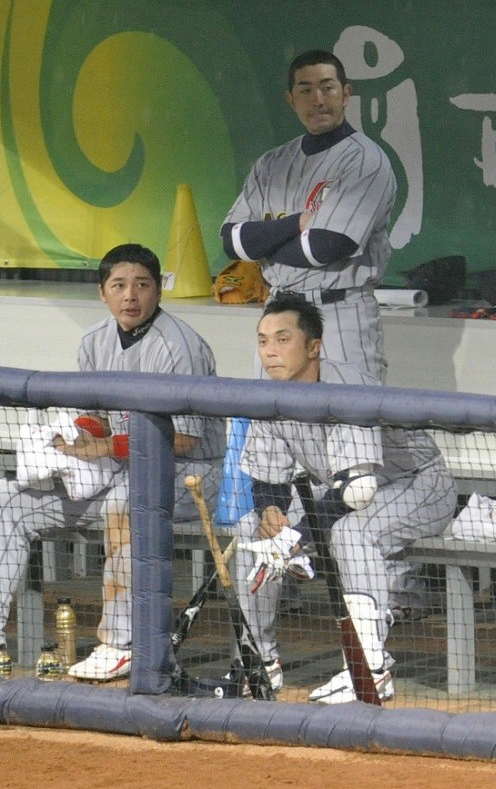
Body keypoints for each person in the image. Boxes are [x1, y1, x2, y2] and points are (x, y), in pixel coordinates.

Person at [0, 243, 223, 681]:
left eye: (142, 285)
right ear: (102, 292)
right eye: (119, 285)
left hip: (194, 474)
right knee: (11, 501)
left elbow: (185, 438)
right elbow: (98, 417)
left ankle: (119, 643)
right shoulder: (94, 341)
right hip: (125, 466)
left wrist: (103, 448)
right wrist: (76, 437)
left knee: (124, 499)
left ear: (159, 290)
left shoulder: (180, 347)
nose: (131, 296)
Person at [232, 293, 456, 703]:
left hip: (417, 485)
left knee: (352, 535)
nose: (270, 351)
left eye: (282, 339)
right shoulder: (269, 393)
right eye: (263, 341)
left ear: (314, 346)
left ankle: (370, 668)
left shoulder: (346, 387)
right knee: (251, 530)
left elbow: (357, 490)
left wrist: (296, 535)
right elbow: (268, 478)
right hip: (342, 494)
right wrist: (271, 513)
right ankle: (259, 663)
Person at [220, 48, 396, 382]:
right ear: (291, 99)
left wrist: (265, 244)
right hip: (279, 316)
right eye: (305, 90)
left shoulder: (365, 160)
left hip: (338, 313)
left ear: (346, 93)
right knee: (274, 426)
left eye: (327, 87)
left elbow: (325, 247)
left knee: (353, 424)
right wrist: (295, 224)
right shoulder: (271, 164)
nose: (317, 99)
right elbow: (233, 242)